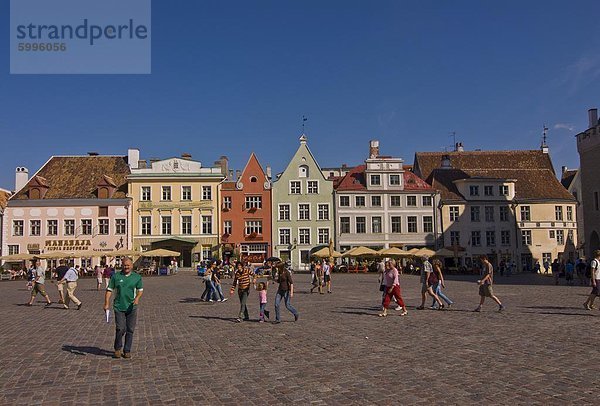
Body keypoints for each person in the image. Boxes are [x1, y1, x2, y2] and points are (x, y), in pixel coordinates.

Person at [104, 257, 143, 359]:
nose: (126, 267)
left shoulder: (137, 277)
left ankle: (127, 350)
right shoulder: (116, 277)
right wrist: (106, 303)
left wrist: (137, 298)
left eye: (128, 265)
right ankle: (117, 348)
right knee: (120, 328)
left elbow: (140, 290)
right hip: (119, 306)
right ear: (122, 265)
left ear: (132, 265)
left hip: (132, 307)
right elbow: (109, 290)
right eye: (124, 265)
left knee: (130, 329)